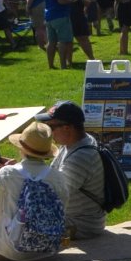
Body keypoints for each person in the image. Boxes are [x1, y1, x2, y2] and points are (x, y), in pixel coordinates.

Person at [0, 123, 68, 261]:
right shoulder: (58, 177)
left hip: (10, 251)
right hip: (47, 249)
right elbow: (63, 209)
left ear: (21, 148)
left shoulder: (7, 173)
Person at [38, 101, 107, 243]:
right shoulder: (73, 144)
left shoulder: (81, 157)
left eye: (51, 126)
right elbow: (52, 176)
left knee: (21, 227)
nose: (48, 131)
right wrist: (19, 169)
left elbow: (54, 194)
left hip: (81, 226)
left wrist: (16, 177)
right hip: (74, 219)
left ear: (67, 128)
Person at [38, 0, 78, 69]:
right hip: (60, 15)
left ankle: (51, 65)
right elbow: (61, 0)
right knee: (63, 41)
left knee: (51, 42)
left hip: (49, 15)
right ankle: (63, 65)